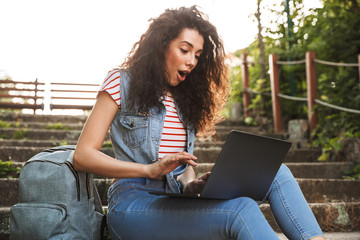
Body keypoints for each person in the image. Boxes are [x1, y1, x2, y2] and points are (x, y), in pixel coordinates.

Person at [73, 6, 326, 240]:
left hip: (174, 199)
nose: (192, 61)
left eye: (198, 54)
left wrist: (191, 184)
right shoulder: (120, 82)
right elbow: (83, 156)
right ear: (162, 45)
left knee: (276, 173)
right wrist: (148, 170)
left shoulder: (186, 98)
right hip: (132, 204)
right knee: (241, 211)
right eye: (185, 50)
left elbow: (183, 168)